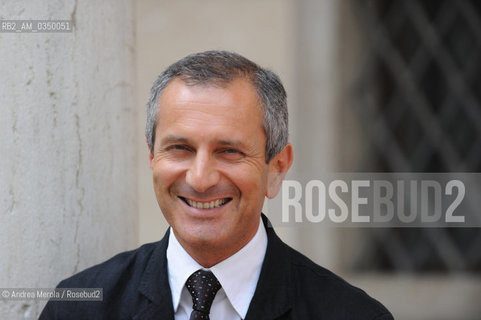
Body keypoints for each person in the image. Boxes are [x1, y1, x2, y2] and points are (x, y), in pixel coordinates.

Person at [40, 50, 393, 320]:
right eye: (180, 148)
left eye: (229, 151)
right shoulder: (79, 308)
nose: (200, 178)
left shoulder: (352, 314)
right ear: (152, 158)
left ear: (277, 168)